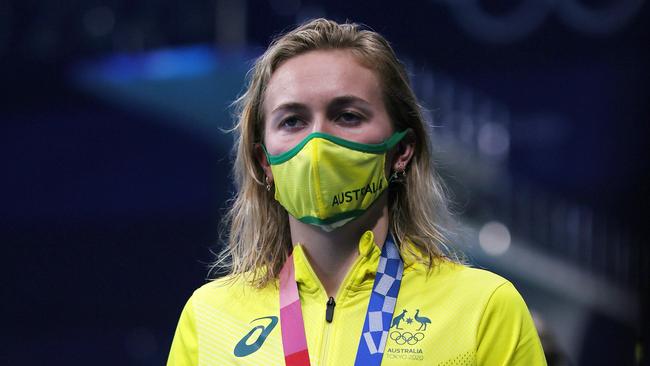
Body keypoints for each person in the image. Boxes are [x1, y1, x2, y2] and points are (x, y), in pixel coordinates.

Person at [167, 18, 546, 365]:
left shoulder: (483, 308)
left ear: (401, 150)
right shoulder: (208, 318)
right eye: (293, 120)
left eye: (347, 115)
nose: (318, 142)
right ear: (264, 161)